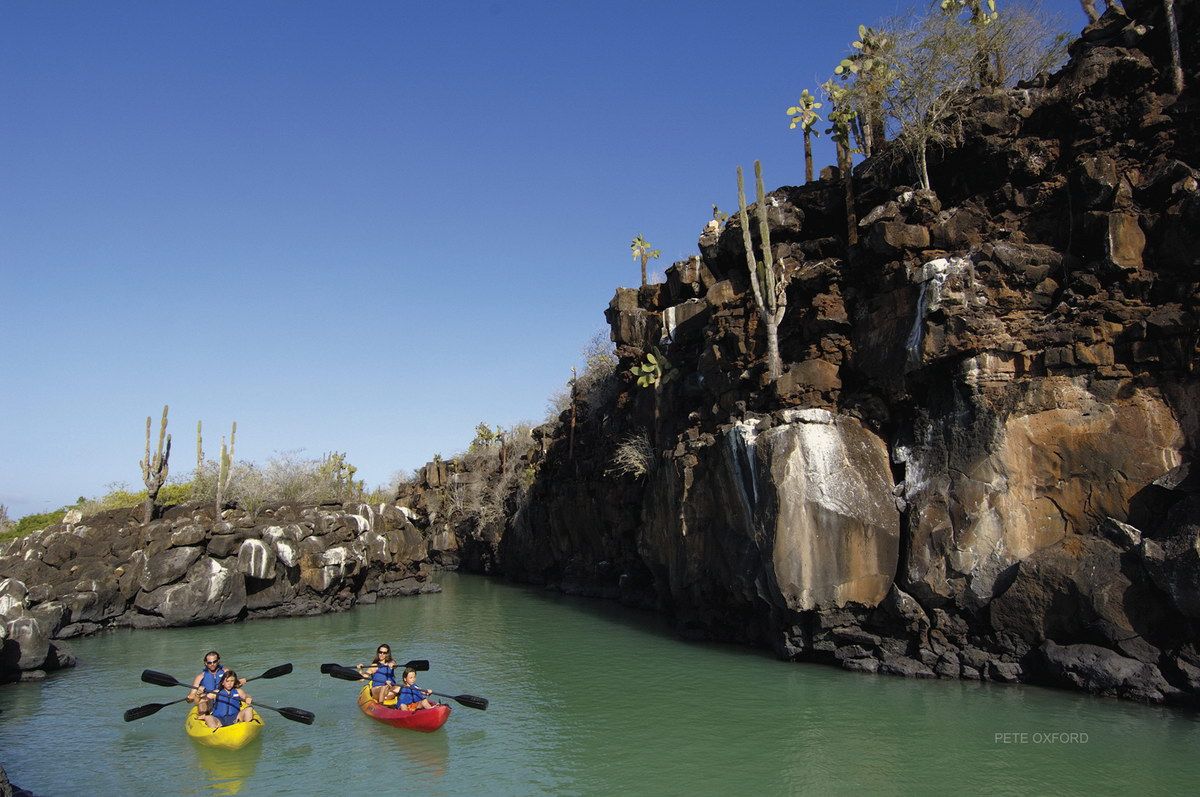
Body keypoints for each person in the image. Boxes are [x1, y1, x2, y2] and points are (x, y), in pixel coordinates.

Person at [187, 651, 245, 715]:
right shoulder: (200, 677)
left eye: (214, 662)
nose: (212, 664)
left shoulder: (226, 672)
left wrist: (240, 683)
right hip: (208, 701)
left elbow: (234, 685)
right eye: (209, 663)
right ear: (206, 663)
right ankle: (205, 718)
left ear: (218, 661)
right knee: (202, 704)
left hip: (224, 699)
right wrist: (190, 697)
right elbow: (191, 698)